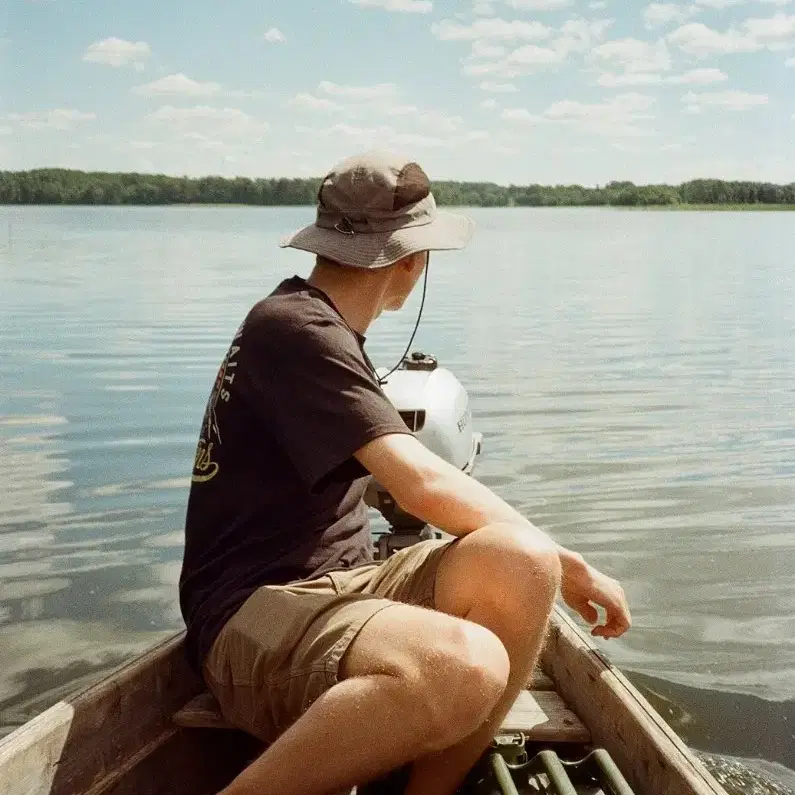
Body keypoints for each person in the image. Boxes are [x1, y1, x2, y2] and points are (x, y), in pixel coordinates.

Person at [179, 151, 631, 795]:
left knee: (522, 560)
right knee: (466, 666)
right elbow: (422, 483)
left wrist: (552, 562)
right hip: (250, 616)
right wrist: (577, 565)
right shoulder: (294, 329)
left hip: (344, 583)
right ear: (413, 261)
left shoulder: (317, 325)